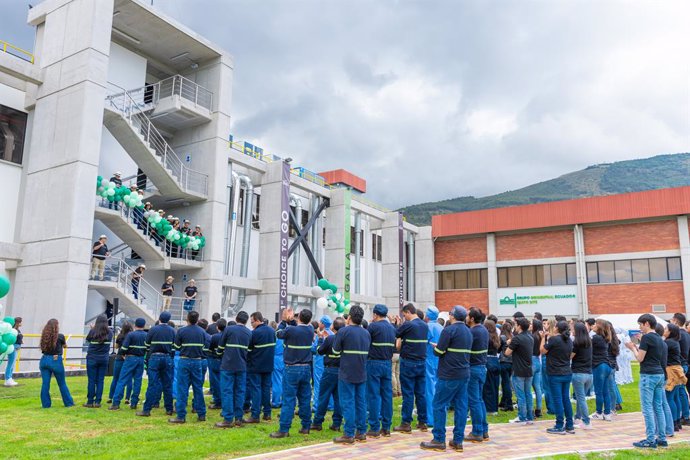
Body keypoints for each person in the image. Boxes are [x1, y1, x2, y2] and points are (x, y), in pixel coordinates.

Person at [419, 306, 472, 452]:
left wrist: (437, 347)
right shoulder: (468, 331)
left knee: (438, 404)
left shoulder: (449, 330)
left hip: (449, 374)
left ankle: (438, 439)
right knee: (461, 407)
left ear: (453, 316)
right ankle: (458, 440)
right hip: (464, 374)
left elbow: (439, 352)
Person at [270, 308, 314, 438]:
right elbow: (297, 329)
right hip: (306, 367)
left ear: (298, 317)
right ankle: (306, 426)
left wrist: (284, 320)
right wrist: (292, 321)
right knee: (305, 399)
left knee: (289, 400)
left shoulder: (290, 330)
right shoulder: (310, 330)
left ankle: (284, 429)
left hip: (291, 368)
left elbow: (278, 333)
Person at [625, 314, 667, 448]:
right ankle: (662, 438)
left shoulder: (647, 337)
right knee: (658, 407)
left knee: (647, 408)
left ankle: (650, 439)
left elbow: (640, 358)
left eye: (640, 324)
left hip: (648, 375)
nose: (639, 327)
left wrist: (632, 348)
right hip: (659, 374)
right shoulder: (659, 338)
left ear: (647, 323)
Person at [332, 305, 371, 444]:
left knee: (348, 402)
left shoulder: (343, 331)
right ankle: (361, 432)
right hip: (361, 372)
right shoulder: (366, 333)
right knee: (360, 402)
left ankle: (348, 434)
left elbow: (335, 351)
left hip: (347, 372)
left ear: (349, 318)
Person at [393, 303, 429, 433]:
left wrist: (396, 323)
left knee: (408, 394)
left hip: (408, 363)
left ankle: (406, 423)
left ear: (408, 312)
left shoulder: (408, 325)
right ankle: (422, 422)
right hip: (421, 363)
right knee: (421, 394)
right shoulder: (425, 325)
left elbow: (396, 333)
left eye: (404, 315)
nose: (404, 317)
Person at [170, 311, 209, 424]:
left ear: (187, 319)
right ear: (197, 320)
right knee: (198, 388)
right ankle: (201, 414)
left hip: (184, 360)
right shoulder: (202, 332)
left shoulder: (181, 331)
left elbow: (176, 346)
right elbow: (203, 346)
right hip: (197, 361)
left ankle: (181, 416)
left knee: (182, 388)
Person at [214, 312, 252, 428]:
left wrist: (219, 354)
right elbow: (249, 351)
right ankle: (239, 418)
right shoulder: (249, 333)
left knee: (227, 391)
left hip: (228, 365)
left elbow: (220, 347)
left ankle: (228, 418)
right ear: (246, 321)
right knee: (240, 392)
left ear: (236, 319)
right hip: (241, 366)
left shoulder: (229, 329)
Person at [365, 304, 396, 438]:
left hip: (374, 363)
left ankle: (374, 427)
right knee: (387, 395)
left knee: (373, 395)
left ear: (375, 315)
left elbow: (366, 342)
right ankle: (386, 427)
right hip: (387, 363)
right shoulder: (391, 327)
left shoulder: (372, 326)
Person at [137, 311, 176, 417]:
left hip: (154, 357)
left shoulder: (153, 329)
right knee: (167, 384)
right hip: (167, 357)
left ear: (159, 319)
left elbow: (146, 344)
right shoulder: (173, 331)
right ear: (169, 320)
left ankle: (147, 410)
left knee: (152, 384)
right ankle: (169, 409)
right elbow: (175, 346)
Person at [311, 317, 345, 432]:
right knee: (339, 398)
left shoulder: (330, 339)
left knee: (323, 396)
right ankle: (337, 423)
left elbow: (319, 351)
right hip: (342, 371)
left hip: (329, 370)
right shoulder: (346, 339)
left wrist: (320, 339)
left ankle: (317, 422)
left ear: (333, 327)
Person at [540, 320, 574, 435]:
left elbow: (542, 351)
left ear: (558, 328)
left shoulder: (554, 340)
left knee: (558, 399)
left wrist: (543, 338)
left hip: (555, 373)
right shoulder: (568, 340)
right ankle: (569, 425)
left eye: (555, 326)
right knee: (566, 399)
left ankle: (559, 425)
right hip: (566, 372)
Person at [244, 312, 276, 423]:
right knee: (266, 389)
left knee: (256, 389)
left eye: (252, 322)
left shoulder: (254, 334)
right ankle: (267, 413)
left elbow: (248, 350)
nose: (251, 324)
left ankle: (255, 415)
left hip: (255, 366)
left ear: (257, 320)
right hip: (268, 365)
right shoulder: (272, 331)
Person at [109, 318, 147, 410]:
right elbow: (148, 348)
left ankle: (116, 403)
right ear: (144, 326)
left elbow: (124, 348)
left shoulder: (131, 335)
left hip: (130, 358)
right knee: (138, 381)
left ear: (135, 325)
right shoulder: (147, 335)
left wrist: (123, 354)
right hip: (141, 359)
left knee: (122, 380)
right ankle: (134, 403)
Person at [465, 307, 489, 442]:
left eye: (468, 315)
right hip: (481, 368)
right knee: (479, 400)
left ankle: (477, 431)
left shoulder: (472, 332)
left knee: (474, 401)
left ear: (472, 318)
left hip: (473, 369)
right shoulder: (484, 330)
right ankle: (484, 430)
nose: (466, 317)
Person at [38, 319, 74, 408]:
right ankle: (68, 403)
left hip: (44, 359)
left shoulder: (44, 336)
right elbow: (65, 346)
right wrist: (63, 345)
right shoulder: (61, 336)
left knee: (45, 384)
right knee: (62, 383)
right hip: (55, 360)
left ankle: (45, 405)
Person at [505, 316, 534, 425]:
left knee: (521, 395)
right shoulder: (530, 337)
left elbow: (507, 353)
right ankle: (529, 417)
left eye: (516, 325)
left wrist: (508, 343)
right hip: (528, 369)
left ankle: (522, 417)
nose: (515, 327)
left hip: (518, 370)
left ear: (520, 326)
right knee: (528, 394)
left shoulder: (517, 338)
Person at [84, 314, 113, 408]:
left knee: (91, 380)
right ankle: (98, 402)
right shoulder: (110, 333)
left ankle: (90, 401)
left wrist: (92, 328)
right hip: (104, 359)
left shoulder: (93, 331)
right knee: (100, 380)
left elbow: (87, 340)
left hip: (92, 358)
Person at [663, 323, 688, 432]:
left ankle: (673, 422)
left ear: (670, 332)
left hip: (672, 371)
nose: (664, 330)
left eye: (665, 329)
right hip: (677, 370)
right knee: (675, 397)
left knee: (670, 398)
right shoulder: (675, 342)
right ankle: (677, 422)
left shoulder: (668, 342)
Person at [570, 321, 593, 429]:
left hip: (578, 374)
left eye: (573, 329)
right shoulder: (589, 342)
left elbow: (570, 356)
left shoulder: (576, 343)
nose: (571, 331)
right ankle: (577, 417)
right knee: (581, 397)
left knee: (581, 398)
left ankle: (586, 421)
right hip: (589, 374)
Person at [591, 319, 615, 421]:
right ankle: (607, 413)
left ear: (599, 327)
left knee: (598, 391)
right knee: (606, 391)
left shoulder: (595, 338)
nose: (593, 326)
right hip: (607, 365)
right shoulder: (606, 338)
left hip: (599, 365)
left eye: (595, 324)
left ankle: (599, 412)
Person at [424, 305, 443, 427]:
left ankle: (430, 418)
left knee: (429, 390)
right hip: (439, 360)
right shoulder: (441, 327)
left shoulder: (427, 327)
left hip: (428, 360)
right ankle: (439, 416)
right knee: (439, 390)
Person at [671, 313, 690, 426]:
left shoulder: (678, 335)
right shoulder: (687, 334)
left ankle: (684, 416)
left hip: (679, 365)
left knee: (680, 391)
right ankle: (685, 415)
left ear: (676, 321)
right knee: (681, 391)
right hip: (684, 364)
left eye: (672, 321)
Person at [107, 322, 133, 405]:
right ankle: (127, 398)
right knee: (128, 379)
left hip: (119, 358)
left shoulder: (120, 336)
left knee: (115, 378)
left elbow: (116, 347)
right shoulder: (132, 336)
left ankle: (111, 397)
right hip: (128, 358)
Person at [312, 316, 332, 415]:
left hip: (320, 361)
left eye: (320, 322)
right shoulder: (332, 334)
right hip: (330, 362)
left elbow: (315, 348)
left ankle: (316, 405)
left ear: (323, 324)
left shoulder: (321, 335)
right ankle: (330, 405)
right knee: (330, 385)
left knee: (318, 383)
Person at [483, 319, 502, 416]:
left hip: (488, 362)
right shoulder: (496, 337)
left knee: (488, 387)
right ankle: (494, 408)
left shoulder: (486, 337)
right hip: (495, 361)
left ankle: (489, 409)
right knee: (495, 386)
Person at [206, 318, 226, 410]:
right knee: (225, 381)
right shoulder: (229, 336)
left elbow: (210, 349)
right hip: (226, 361)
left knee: (215, 381)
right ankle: (224, 400)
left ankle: (218, 401)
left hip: (215, 359)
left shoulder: (214, 337)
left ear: (217, 327)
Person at [498, 320, 514, 411]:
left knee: (505, 383)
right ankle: (503, 402)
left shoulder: (502, 337)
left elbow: (498, 349)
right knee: (506, 382)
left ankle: (509, 404)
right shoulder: (513, 337)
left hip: (504, 361)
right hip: (512, 362)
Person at [530, 319, 545, 418]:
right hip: (538, 360)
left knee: (527, 387)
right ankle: (538, 409)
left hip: (531, 360)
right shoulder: (541, 335)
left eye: (531, 323)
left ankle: (530, 410)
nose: (530, 325)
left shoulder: (532, 336)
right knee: (537, 388)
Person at [4, 317, 22, 387]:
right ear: (18, 323)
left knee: (12, 364)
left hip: (16, 348)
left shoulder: (18, 330)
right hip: (13, 348)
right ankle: (7, 378)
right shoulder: (13, 330)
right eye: (20, 322)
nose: (21, 323)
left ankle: (10, 378)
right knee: (10, 364)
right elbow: (12, 340)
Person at [271, 321, 285, 408]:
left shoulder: (274, 337)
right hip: (284, 359)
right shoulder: (283, 338)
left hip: (275, 359)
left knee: (276, 382)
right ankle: (284, 401)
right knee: (284, 381)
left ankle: (276, 402)